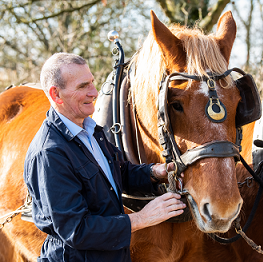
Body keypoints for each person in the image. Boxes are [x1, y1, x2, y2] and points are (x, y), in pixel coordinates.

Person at [23, 52, 186, 262]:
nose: (95, 92)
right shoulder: (50, 154)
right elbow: (77, 230)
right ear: (56, 95)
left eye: (92, 82)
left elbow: (118, 172)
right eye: (83, 86)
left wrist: (156, 172)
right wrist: (143, 218)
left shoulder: (90, 131)